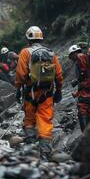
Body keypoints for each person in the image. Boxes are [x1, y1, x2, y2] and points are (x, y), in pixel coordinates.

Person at [15, 26, 63, 161]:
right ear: (41, 38)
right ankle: (45, 152)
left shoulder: (25, 52)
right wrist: (58, 90)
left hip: (30, 92)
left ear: (28, 38)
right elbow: (58, 75)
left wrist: (18, 89)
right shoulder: (51, 53)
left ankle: (31, 147)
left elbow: (21, 74)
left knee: (29, 119)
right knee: (45, 120)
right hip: (47, 93)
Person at [68, 45, 90, 131]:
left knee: (82, 108)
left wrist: (77, 81)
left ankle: (85, 135)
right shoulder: (87, 56)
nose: (71, 59)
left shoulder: (80, 57)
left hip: (87, 87)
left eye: (71, 56)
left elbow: (83, 73)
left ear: (73, 53)